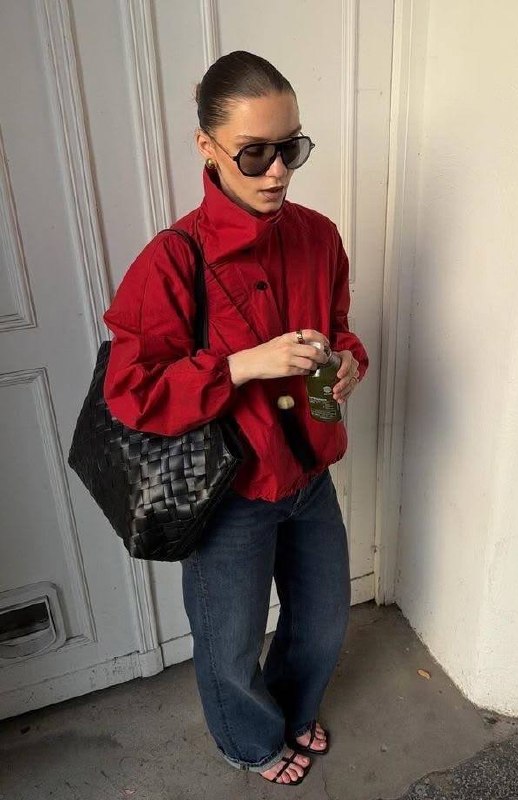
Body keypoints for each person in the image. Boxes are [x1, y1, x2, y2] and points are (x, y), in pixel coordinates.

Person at [102, 51, 368, 786]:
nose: (276, 172)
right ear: (207, 147)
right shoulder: (172, 259)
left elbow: (339, 328)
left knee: (322, 617)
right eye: (254, 153)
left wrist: (349, 361)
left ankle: (294, 705)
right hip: (227, 494)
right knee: (230, 641)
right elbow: (132, 391)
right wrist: (242, 365)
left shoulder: (317, 235)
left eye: (292, 148)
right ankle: (249, 742)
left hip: (308, 471)